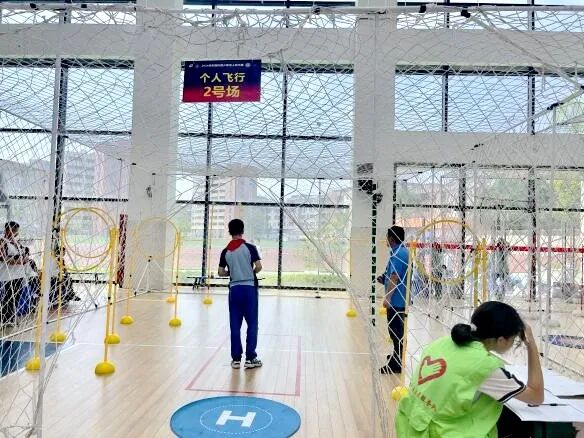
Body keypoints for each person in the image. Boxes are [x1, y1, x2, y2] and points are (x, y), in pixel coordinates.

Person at [395, 301, 544, 438]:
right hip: (440, 433)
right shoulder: (485, 367)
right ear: (501, 340)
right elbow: (537, 396)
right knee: (519, 424)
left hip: (410, 427)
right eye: (513, 339)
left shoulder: (443, 342)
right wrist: (531, 343)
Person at [218, 219, 263, 370]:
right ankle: (250, 358)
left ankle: (236, 359)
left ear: (229, 232)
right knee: (252, 324)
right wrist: (251, 272)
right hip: (249, 289)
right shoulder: (250, 248)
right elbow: (259, 266)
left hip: (234, 290)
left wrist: (231, 273)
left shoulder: (225, 251)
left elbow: (220, 272)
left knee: (235, 325)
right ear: (242, 231)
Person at [378, 225, 409, 374]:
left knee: (395, 333)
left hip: (397, 301)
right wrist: (384, 279)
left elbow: (395, 277)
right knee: (396, 332)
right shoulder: (401, 252)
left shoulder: (398, 254)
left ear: (391, 238)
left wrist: (387, 298)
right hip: (400, 300)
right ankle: (397, 356)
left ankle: (396, 364)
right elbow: (393, 275)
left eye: (387, 237)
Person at [0, 222, 29, 326]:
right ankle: (4, 319)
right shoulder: (2, 241)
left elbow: (23, 254)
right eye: (13, 230)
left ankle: (11, 318)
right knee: (8, 297)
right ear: (7, 230)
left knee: (16, 297)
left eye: (16, 231)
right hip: (8, 275)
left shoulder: (16, 242)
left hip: (19, 274)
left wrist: (24, 258)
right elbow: (3, 258)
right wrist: (18, 261)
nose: (15, 233)